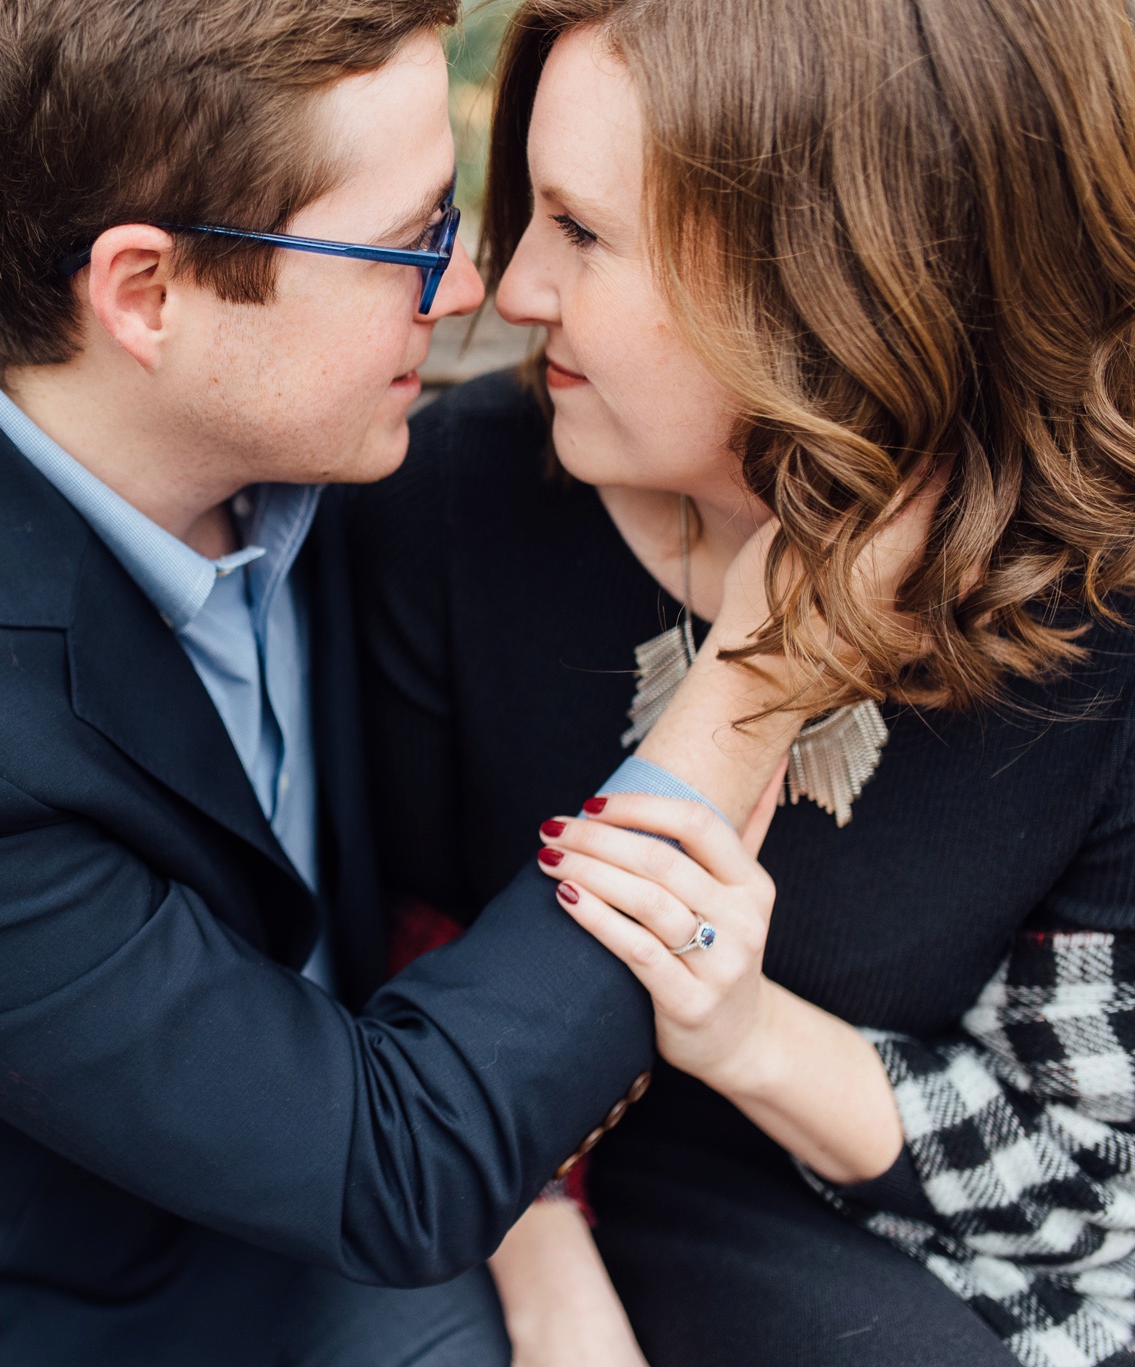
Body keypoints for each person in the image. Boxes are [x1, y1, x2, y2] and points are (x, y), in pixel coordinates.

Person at [0, 0, 835, 1362]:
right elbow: (397, 1177)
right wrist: (756, 677)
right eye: (408, 245)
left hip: (333, 1164)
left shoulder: (286, 437)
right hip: (5, 1314)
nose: (465, 293)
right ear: (149, 294)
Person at [354, 1, 1135, 1364]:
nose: (510, 288)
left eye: (582, 231)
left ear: (838, 275)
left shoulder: (1098, 616)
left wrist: (742, 1027)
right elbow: (381, 990)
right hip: (517, 1201)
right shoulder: (442, 512)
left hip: (962, 1232)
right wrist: (548, 1280)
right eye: (526, 212)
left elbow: (1089, 1172)